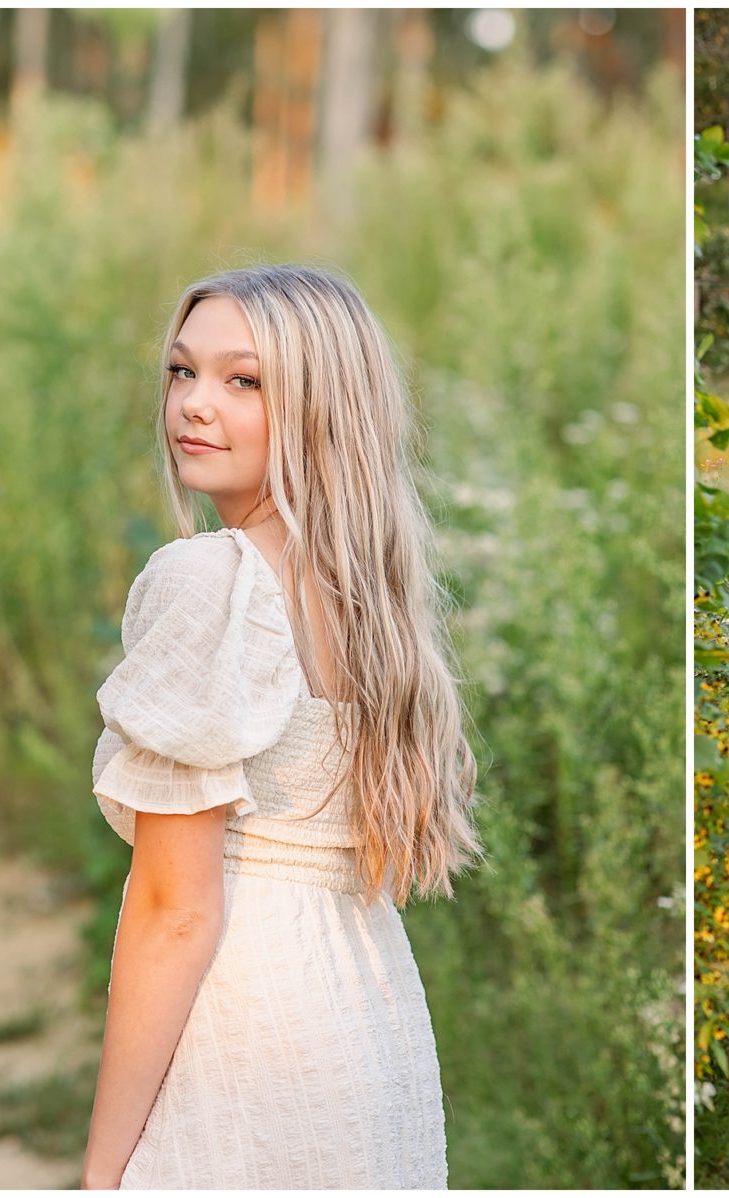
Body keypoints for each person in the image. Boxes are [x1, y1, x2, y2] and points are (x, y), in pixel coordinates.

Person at [80, 264, 480, 1188]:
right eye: (182, 372)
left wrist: (103, 1170)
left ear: (322, 407)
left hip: (246, 1022)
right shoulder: (371, 600)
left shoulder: (211, 580)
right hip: (368, 1015)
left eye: (242, 380)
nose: (194, 404)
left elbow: (174, 912)